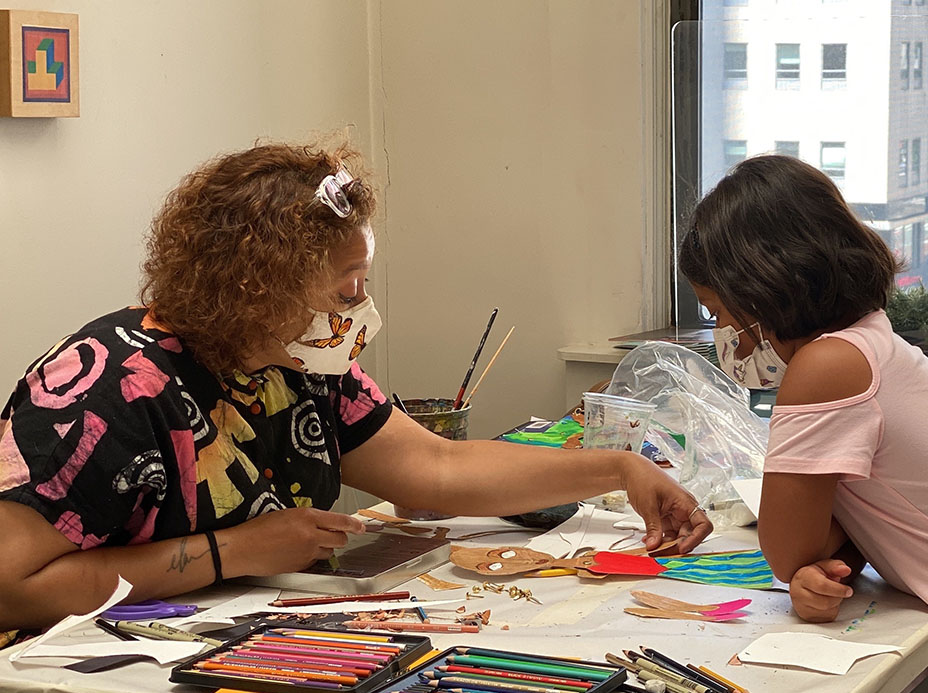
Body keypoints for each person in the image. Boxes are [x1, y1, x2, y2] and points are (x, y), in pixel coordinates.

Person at [0, 140, 710, 635]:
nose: (359, 305)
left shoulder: (297, 361)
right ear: (259, 284)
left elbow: (436, 468)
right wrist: (235, 553)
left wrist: (618, 468)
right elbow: (12, 587)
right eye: (347, 285)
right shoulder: (107, 389)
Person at [678, 153, 928, 693]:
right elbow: (868, 512)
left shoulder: (826, 367)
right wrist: (835, 555)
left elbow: (788, 550)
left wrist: (812, 560)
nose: (723, 331)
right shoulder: (873, 341)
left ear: (760, 288)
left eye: (717, 312)